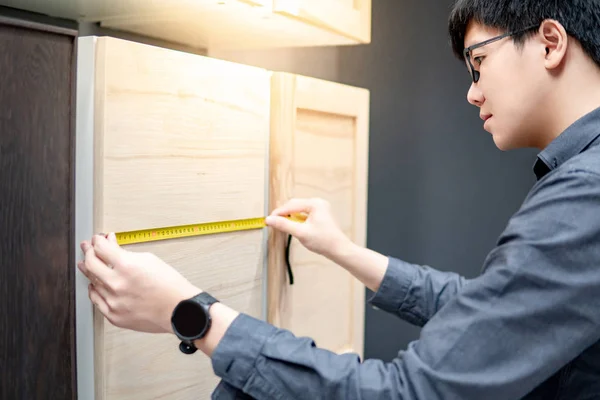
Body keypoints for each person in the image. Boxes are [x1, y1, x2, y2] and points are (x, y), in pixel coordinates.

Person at [77, 0, 600, 398]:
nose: (472, 91)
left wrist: (191, 314)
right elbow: (495, 315)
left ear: (550, 42)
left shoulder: (584, 193)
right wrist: (345, 251)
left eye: (478, 62)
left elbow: (410, 392)